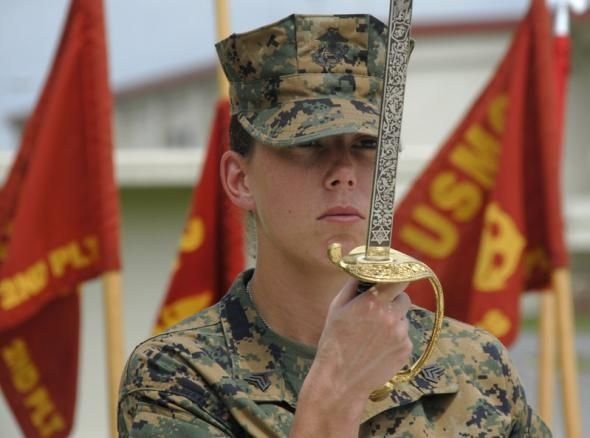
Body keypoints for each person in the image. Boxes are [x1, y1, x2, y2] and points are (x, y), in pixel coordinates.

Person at [118, 14, 551, 437]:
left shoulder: (474, 365)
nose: (344, 171)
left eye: (366, 144)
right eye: (308, 145)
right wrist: (339, 388)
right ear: (239, 178)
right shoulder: (177, 377)